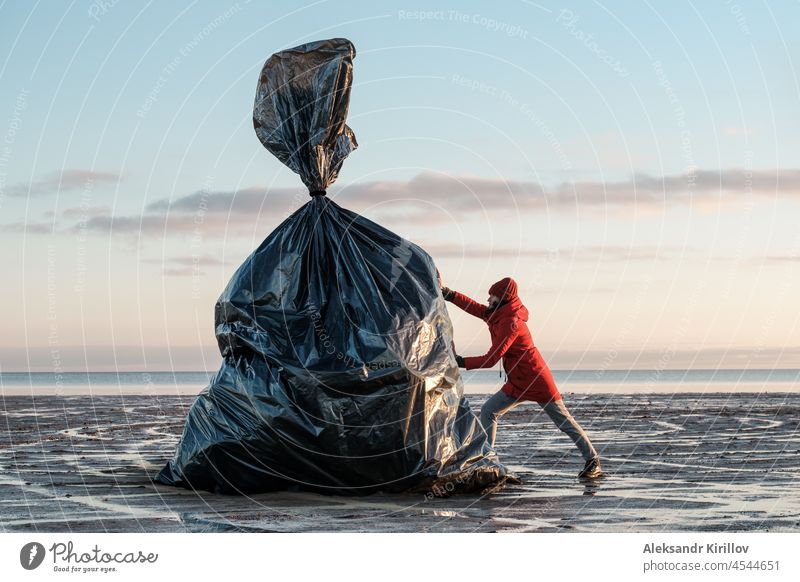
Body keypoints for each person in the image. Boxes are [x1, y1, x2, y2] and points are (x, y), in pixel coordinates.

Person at [441, 277, 603, 479]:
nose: (488, 298)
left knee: (564, 422)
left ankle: (593, 461)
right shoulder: (498, 313)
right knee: (489, 410)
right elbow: (475, 308)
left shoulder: (511, 322)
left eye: (492, 295)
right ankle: (488, 459)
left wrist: (460, 361)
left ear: (502, 298)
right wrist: (449, 294)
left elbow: (492, 359)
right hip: (517, 381)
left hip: (536, 379)